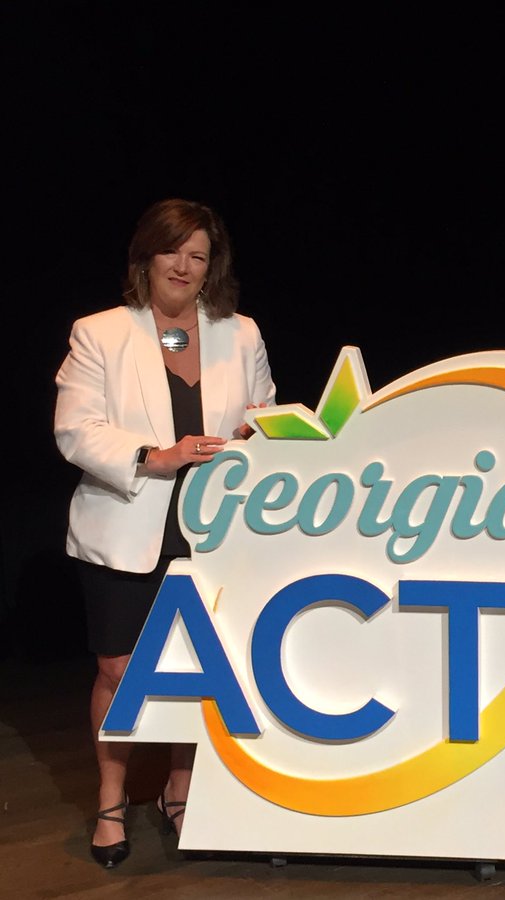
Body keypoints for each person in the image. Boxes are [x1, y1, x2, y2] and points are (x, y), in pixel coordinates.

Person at [54, 199, 276, 868]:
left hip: (215, 530)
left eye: (199, 255)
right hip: (125, 523)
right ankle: (112, 800)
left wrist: (252, 436)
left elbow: (265, 411)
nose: (184, 265)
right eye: (172, 250)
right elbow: (75, 428)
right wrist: (157, 456)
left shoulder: (241, 332)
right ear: (145, 257)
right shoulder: (100, 332)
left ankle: (181, 787)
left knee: (192, 669)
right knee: (119, 670)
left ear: (213, 268)